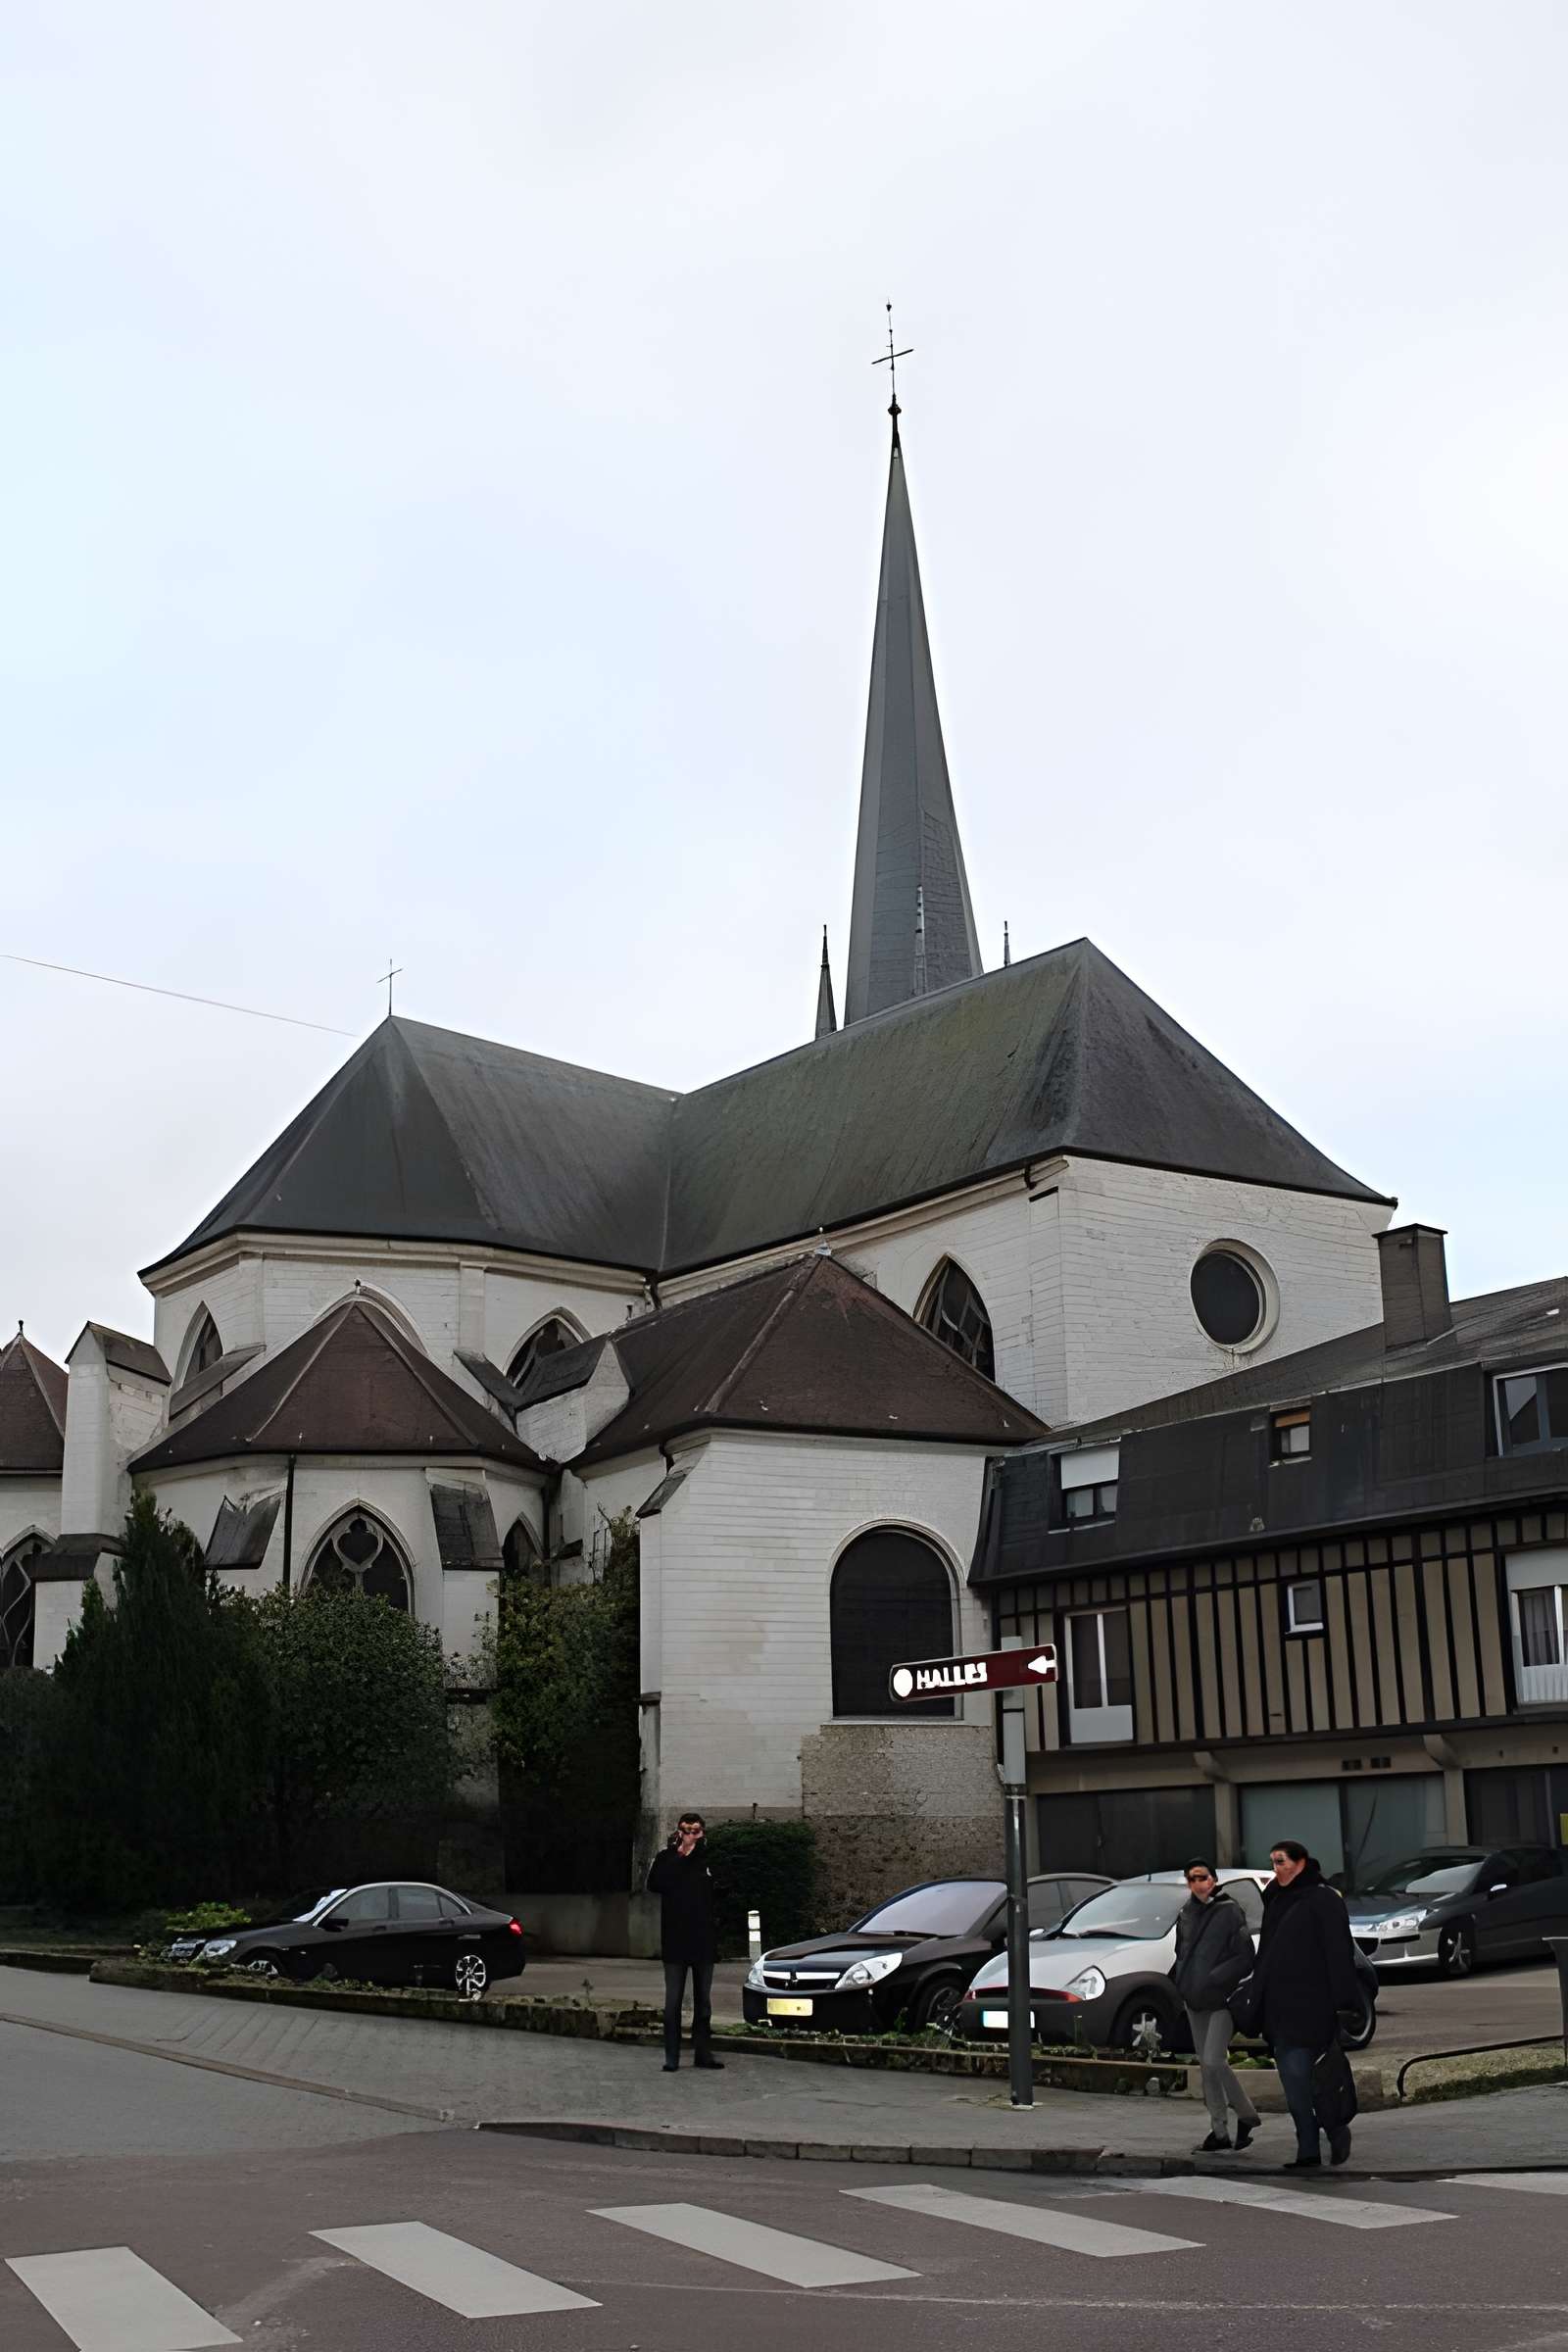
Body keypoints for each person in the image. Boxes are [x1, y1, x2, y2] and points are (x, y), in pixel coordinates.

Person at [1255, 1838, 1360, 2168]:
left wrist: (1343, 2003)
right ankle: (1308, 2148)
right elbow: (1267, 1952)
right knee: (1293, 2081)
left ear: (1300, 1862)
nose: (1276, 1868)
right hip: (1279, 2005)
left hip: (1314, 2004)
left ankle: (1335, 2129)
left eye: (1282, 1861)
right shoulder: (1275, 1897)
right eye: (1273, 1862)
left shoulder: (1323, 1899)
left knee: (1316, 2078)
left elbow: (1338, 1953)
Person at [1171, 1858, 1260, 2154]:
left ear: (1214, 1879)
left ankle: (1246, 2115)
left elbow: (1244, 1956)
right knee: (1206, 2067)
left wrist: (1215, 1978)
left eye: (1202, 1877)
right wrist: (1182, 1984)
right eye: (1192, 1879)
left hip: (1222, 1999)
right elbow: (1181, 1953)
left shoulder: (1229, 1911)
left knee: (1214, 2060)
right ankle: (1219, 2130)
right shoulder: (1186, 1913)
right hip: (1194, 1999)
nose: (1198, 1883)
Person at [646, 1811, 724, 2074]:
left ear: (702, 1832)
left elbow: (722, 1889)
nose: (691, 1835)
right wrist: (680, 1854)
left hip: (703, 1940)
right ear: (679, 1832)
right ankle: (672, 2056)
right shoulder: (666, 1858)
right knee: (673, 2002)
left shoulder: (709, 1859)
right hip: (675, 1941)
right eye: (686, 1830)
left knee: (703, 2003)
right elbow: (655, 1884)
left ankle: (703, 2053)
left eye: (695, 1831)